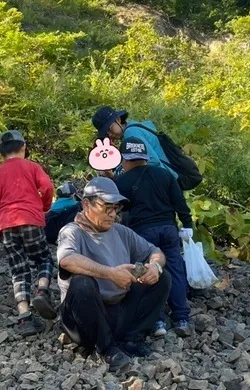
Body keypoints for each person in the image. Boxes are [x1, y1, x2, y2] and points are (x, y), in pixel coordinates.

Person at [56, 177, 171, 373]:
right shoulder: (71, 232)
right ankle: (106, 348)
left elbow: (156, 251)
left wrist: (155, 267)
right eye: (106, 207)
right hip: (82, 321)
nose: (112, 214)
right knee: (82, 283)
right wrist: (110, 273)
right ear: (86, 204)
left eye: (115, 208)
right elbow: (66, 259)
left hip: (117, 310)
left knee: (163, 278)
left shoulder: (121, 231)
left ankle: (130, 339)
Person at [114, 137, 194, 337]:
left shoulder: (122, 181)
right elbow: (180, 203)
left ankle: (157, 321)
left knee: (146, 274)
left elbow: (117, 209)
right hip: (168, 229)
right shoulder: (165, 175)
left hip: (142, 233)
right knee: (175, 270)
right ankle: (181, 318)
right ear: (145, 156)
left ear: (125, 158)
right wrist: (187, 225)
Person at [0, 130, 57, 336]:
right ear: (23, 147)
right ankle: (42, 290)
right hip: (30, 219)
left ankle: (25, 318)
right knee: (44, 259)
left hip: (6, 225)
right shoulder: (32, 167)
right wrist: (42, 206)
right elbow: (47, 187)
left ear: (1, 153)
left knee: (19, 269)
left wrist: (1, 214)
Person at [91, 106, 177, 180]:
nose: (109, 134)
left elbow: (152, 161)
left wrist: (120, 176)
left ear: (118, 120)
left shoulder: (131, 133)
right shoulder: (134, 127)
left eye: (109, 128)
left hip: (163, 181)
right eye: (106, 133)